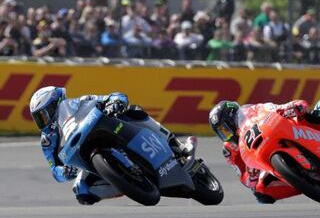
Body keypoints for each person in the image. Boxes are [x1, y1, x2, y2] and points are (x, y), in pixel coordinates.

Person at [29, 86, 196, 205]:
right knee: (82, 192)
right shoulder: (48, 140)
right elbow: (54, 170)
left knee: (134, 111)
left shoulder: (80, 102)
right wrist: (64, 172)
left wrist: (114, 102)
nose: (44, 120)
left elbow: (112, 96)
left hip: (109, 129)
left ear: (56, 103)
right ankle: (127, 184)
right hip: (85, 160)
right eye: (39, 118)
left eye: (45, 114)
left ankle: (178, 146)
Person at [208, 100, 320, 203]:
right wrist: (251, 175)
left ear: (233, 117)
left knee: (312, 116)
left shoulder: (255, 110)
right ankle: (308, 184)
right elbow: (244, 178)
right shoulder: (230, 150)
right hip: (267, 165)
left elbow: (275, 108)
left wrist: (291, 107)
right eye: (222, 133)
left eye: (226, 128)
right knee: (260, 192)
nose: (227, 135)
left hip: (282, 133)